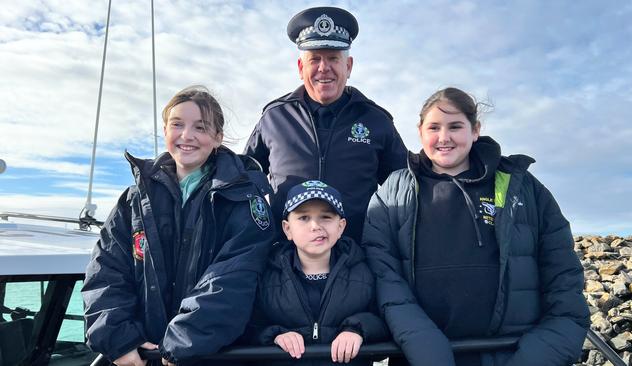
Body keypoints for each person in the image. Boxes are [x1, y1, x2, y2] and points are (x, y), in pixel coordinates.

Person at [362, 87, 590, 366]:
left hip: (509, 353)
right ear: (420, 131)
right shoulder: (391, 194)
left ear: (475, 130)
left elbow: (565, 286)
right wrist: (428, 352)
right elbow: (385, 280)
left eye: (455, 126)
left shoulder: (525, 189)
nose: (444, 137)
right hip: (422, 357)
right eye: (434, 127)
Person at [82, 86, 275, 366]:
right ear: (164, 131)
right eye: (177, 125)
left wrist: (181, 342)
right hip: (142, 356)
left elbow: (234, 280)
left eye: (201, 127)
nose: (187, 136)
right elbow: (106, 271)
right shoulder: (134, 200)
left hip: (210, 356)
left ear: (217, 137)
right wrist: (119, 338)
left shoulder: (243, 201)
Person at [244, 6, 407, 243]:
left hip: (357, 260)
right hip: (285, 262)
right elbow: (245, 179)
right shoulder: (274, 118)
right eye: (315, 59)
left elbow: (405, 187)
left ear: (348, 66)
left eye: (333, 58)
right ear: (301, 68)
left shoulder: (376, 121)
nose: (324, 68)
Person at [245, 180, 388, 365]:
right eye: (303, 218)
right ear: (287, 229)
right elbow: (248, 327)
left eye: (326, 217)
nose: (315, 226)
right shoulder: (266, 275)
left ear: (341, 227)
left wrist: (358, 330)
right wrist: (275, 335)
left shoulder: (365, 272)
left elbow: (385, 320)